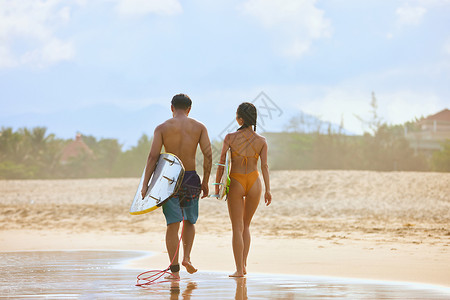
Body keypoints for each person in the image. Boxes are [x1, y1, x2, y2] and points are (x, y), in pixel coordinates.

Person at [141, 94, 212, 279]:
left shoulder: (162, 128)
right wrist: (205, 181)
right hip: (190, 178)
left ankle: (175, 271)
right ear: (189, 109)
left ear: (171, 107)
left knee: (173, 224)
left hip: (169, 180)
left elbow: (153, 157)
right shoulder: (199, 127)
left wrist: (146, 184)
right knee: (189, 220)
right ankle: (187, 257)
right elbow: (208, 155)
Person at [215, 102, 272, 277]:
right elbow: (265, 167)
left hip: (237, 181)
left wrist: (217, 186)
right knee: (246, 226)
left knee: (237, 227)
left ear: (239, 118)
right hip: (255, 181)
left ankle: (239, 270)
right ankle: (244, 265)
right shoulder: (262, 141)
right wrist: (268, 190)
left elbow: (222, 164)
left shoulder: (230, 138)